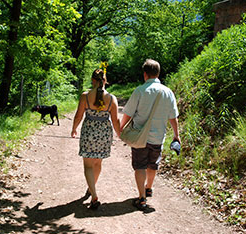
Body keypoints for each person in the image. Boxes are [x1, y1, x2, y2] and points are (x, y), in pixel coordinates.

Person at [120, 59, 180, 211]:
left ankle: (141, 198)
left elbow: (127, 113)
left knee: (140, 166)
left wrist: (120, 128)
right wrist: (176, 135)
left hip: (140, 137)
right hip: (158, 137)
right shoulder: (168, 92)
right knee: (152, 165)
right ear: (158, 73)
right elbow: (173, 117)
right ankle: (149, 188)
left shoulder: (140, 91)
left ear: (145, 74)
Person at [71, 69, 121, 210]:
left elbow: (78, 116)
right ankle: (91, 189)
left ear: (93, 80)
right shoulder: (111, 99)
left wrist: (74, 128)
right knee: (98, 164)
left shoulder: (85, 96)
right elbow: (116, 121)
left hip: (88, 133)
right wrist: (119, 134)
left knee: (88, 165)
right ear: (105, 81)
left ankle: (93, 195)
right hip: (104, 134)